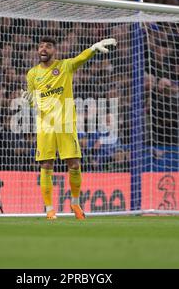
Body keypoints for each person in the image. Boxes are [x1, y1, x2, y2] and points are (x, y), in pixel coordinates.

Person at [22, 36, 116, 220]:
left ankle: (75, 202)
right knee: (46, 165)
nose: (43, 49)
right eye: (41, 46)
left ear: (54, 50)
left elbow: (80, 58)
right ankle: (49, 209)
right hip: (45, 126)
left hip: (65, 125)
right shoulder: (32, 74)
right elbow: (33, 99)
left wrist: (93, 48)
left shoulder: (64, 66)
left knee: (74, 164)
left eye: (48, 46)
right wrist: (31, 102)